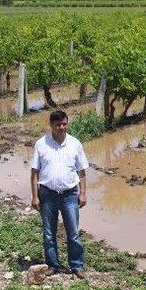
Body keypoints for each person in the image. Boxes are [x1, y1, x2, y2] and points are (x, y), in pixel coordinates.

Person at [30, 109, 89, 279]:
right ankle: (53, 265)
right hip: (47, 194)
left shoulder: (75, 143)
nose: (62, 127)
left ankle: (76, 266)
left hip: (69, 194)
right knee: (49, 233)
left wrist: (83, 193)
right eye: (58, 125)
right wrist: (35, 196)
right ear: (51, 125)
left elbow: (82, 171)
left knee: (73, 232)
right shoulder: (41, 144)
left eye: (64, 124)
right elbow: (34, 172)